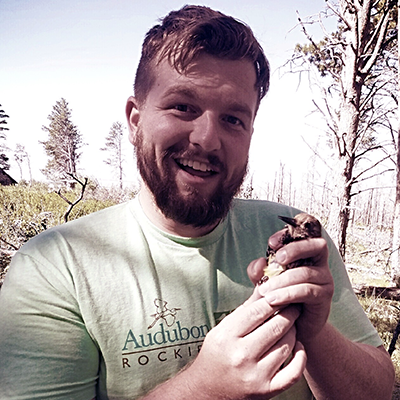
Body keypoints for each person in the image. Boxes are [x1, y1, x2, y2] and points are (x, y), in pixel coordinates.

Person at [0, 5, 395, 400]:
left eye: (233, 119)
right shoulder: (57, 266)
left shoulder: (297, 242)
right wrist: (204, 388)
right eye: (183, 107)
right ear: (135, 120)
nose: (206, 139)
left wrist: (315, 332)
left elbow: (378, 392)